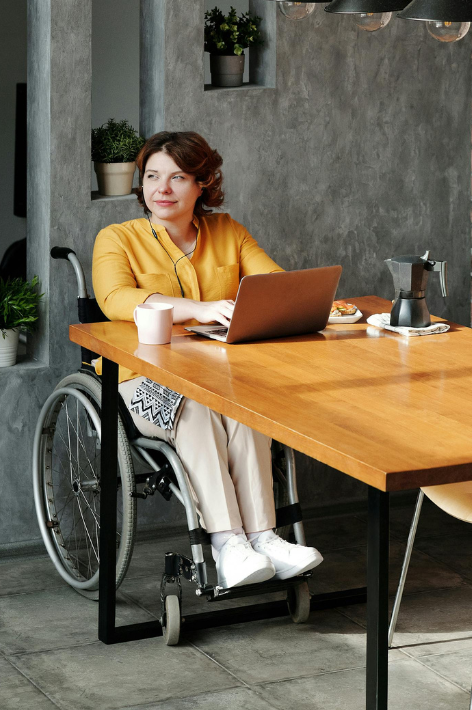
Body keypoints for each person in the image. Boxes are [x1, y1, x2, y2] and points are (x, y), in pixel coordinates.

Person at [92, 130, 323, 589]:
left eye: (178, 177)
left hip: (221, 374)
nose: (161, 189)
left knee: (246, 408)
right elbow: (115, 297)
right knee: (195, 406)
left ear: (203, 184)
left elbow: (274, 283)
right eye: (152, 177)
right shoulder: (117, 239)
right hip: (142, 380)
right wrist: (197, 310)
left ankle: (264, 536)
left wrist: (293, 301)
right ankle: (227, 543)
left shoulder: (228, 232)